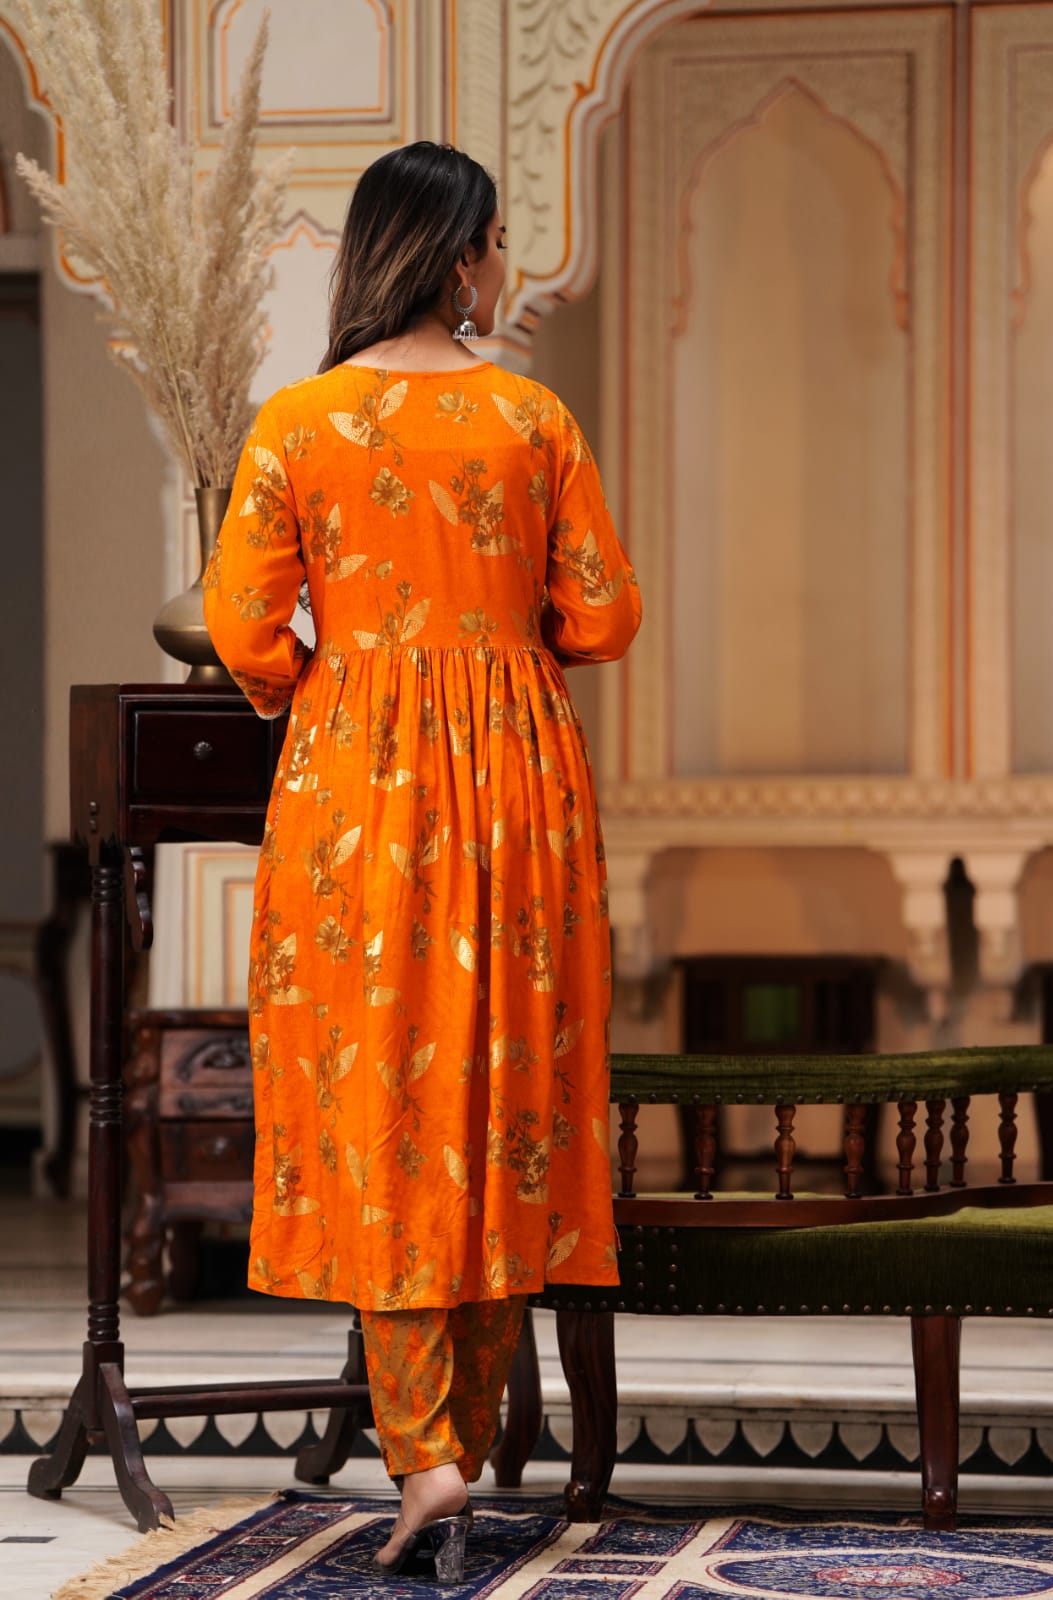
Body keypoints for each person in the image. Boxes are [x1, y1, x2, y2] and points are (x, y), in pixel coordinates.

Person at [203, 141, 642, 1583]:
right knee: (502, 1087)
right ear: (461, 257)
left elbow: (243, 626)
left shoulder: (299, 423)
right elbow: (603, 615)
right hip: (516, 775)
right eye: (496, 244)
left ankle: (425, 1457)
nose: (500, 266)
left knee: (375, 1097)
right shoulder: (532, 418)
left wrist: (335, 679)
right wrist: (500, 639)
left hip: (354, 785)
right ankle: (463, 1435)